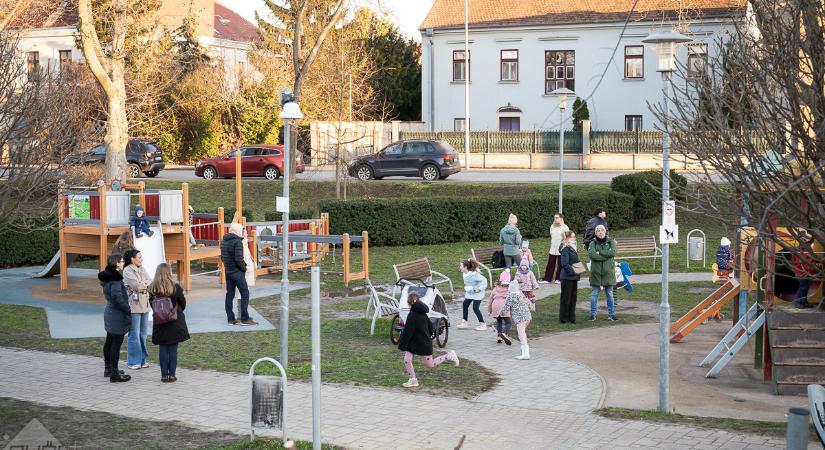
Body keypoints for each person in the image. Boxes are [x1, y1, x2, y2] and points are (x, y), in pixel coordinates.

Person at [397, 291, 459, 388]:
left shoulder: (412, 315)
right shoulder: (424, 314)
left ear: (408, 304)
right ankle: (413, 380)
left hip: (421, 344)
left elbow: (407, 332)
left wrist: (402, 344)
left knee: (430, 364)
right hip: (419, 343)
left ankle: (448, 356)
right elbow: (431, 328)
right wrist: (426, 336)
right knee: (407, 359)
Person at [149, 263, 190, 383]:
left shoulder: (152, 288)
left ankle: (163, 375)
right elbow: (183, 304)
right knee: (173, 348)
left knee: (163, 347)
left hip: (160, 322)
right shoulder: (175, 287)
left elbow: (152, 305)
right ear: (169, 273)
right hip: (174, 321)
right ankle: (172, 375)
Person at [100, 254, 132, 382]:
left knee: (109, 341)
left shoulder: (108, 277)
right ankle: (114, 374)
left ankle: (108, 369)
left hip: (110, 312)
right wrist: (127, 309)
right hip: (116, 315)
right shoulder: (115, 280)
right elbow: (117, 297)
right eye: (122, 261)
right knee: (116, 344)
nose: (124, 263)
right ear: (117, 263)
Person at [221, 222, 258, 326]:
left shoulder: (223, 241)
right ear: (237, 230)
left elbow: (222, 258)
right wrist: (244, 268)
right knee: (245, 293)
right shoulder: (237, 241)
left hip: (228, 271)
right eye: (241, 230)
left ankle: (230, 319)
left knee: (229, 294)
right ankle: (244, 319)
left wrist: (229, 267)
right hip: (237, 272)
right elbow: (239, 259)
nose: (242, 232)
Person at [122, 249, 152, 369]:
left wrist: (142, 284)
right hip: (134, 306)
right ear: (132, 259)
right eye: (139, 257)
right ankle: (133, 361)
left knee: (143, 334)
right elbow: (136, 286)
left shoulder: (142, 269)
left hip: (145, 305)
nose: (141, 259)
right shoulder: (127, 270)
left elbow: (150, 281)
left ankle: (142, 360)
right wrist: (143, 284)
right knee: (134, 334)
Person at [588, 225, 617, 321]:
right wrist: (606, 256)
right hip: (596, 273)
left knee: (610, 294)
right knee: (594, 295)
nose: (600, 232)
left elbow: (612, 253)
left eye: (602, 230)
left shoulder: (611, 241)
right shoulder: (592, 243)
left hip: (608, 273)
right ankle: (592, 314)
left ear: (605, 232)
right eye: (598, 231)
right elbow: (592, 255)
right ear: (596, 233)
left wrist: (599, 252)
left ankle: (612, 314)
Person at [498, 279, 532, 360]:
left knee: (521, 335)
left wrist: (501, 313)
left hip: (520, 318)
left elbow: (506, 306)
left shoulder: (510, 296)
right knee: (521, 333)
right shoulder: (521, 294)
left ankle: (526, 354)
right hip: (527, 317)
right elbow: (528, 303)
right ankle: (524, 351)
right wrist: (531, 308)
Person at [457, 259, 488, 330]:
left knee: (475, 308)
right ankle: (464, 322)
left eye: (461, 266)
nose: (460, 267)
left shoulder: (474, 275)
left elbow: (484, 280)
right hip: (470, 292)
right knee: (465, 305)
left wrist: (479, 289)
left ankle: (483, 324)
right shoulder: (465, 273)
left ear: (465, 267)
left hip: (478, 293)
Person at [559, 231, 581, 324]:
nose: (574, 238)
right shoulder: (565, 249)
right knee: (566, 298)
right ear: (568, 238)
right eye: (573, 237)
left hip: (573, 277)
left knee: (573, 298)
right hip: (567, 277)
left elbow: (576, 261)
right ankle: (564, 318)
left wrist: (579, 271)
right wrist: (574, 272)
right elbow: (565, 264)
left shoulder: (573, 248)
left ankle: (572, 317)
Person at [791, 234, 818, 309]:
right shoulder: (803, 251)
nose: (811, 244)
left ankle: (803, 302)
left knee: (805, 287)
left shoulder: (801, 250)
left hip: (803, 272)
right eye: (811, 243)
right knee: (803, 287)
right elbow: (806, 263)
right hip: (802, 272)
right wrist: (813, 269)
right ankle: (798, 302)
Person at [234, 227, 256, 319]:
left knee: (245, 292)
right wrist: (246, 268)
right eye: (245, 233)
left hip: (248, 271)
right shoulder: (241, 245)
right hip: (245, 272)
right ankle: (242, 314)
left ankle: (243, 313)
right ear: (242, 234)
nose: (247, 234)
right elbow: (241, 259)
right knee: (243, 292)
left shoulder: (244, 244)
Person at [543, 213, 569, 284]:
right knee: (550, 263)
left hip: (561, 248)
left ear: (561, 218)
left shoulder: (565, 227)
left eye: (557, 217)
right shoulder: (552, 226)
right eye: (554, 217)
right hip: (553, 248)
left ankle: (559, 279)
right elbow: (552, 235)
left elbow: (567, 237)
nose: (555, 219)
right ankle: (547, 279)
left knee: (560, 264)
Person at [487, 271, 512, 345]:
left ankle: (499, 336)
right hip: (504, 305)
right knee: (507, 322)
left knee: (499, 321)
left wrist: (489, 310)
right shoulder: (509, 289)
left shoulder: (495, 288)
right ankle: (505, 334)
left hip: (495, 305)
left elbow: (490, 300)